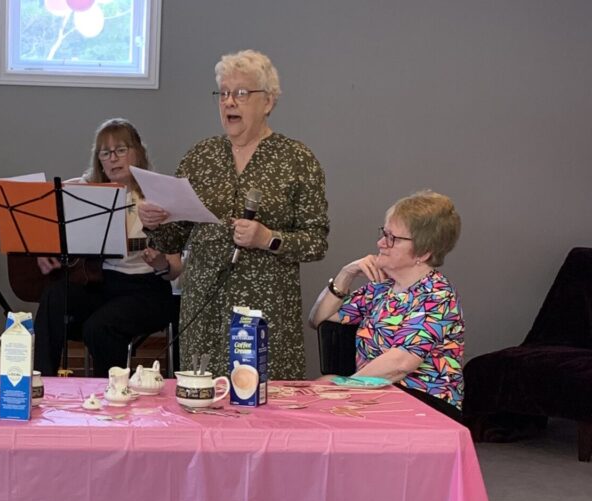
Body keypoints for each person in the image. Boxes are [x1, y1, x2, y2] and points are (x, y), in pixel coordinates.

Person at [139, 49, 329, 380]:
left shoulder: (297, 160)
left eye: (241, 93)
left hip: (265, 310)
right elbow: (173, 237)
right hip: (205, 306)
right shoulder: (201, 156)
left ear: (268, 102)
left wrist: (267, 238)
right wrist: (154, 220)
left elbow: (316, 241)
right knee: (202, 404)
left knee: (264, 410)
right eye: (223, 93)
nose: (229, 102)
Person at [33, 118, 179, 377]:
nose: (113, 158)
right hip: (101, 283)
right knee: (55, 296)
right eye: (105, 152)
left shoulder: (159, 195)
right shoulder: (84, 190)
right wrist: (43, 247)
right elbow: (42, 213)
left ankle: (112, 393)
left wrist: (161, 264)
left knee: (99, 326)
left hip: (147, 289)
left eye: (121, 150)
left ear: (138, 152)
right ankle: (40, 381)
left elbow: (174, 269)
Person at [308, 190, 464, 419]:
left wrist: (343, 386)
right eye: (384, 233)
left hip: (424, 402)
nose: (380, 242)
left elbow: (401, 363)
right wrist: (345, 274)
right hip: (377, 393)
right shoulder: (380, 288)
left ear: (424, 251)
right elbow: (319, 321)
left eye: (392, 238)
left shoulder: (437, 294)